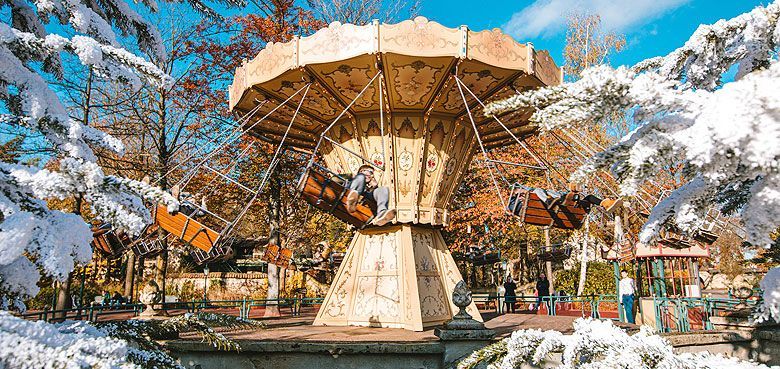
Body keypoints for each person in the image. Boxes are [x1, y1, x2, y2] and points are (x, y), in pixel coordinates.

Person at [507, 185, 622, 214]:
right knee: (538, 190)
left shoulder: (533, 199)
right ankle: (564, 197)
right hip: (566, 209)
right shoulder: (525, 202)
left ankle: (606, 204)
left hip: (565, 208)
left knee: (589, 197)